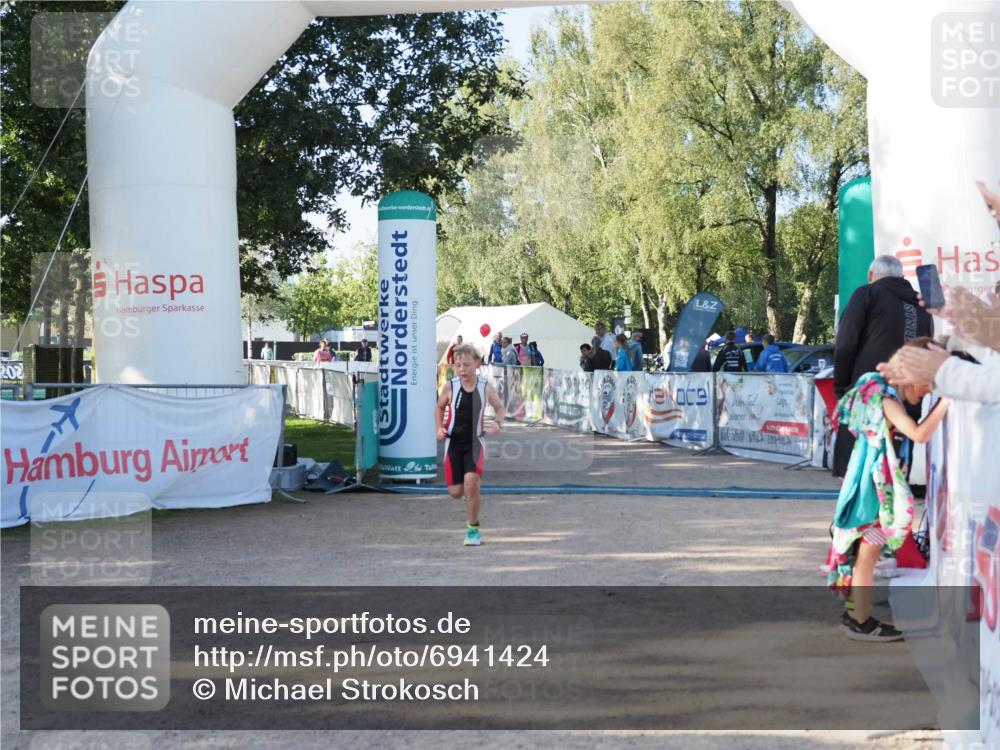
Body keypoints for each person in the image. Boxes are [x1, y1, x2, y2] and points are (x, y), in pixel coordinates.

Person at [825, 338, 951, 641]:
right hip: (872, 489)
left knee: (863, 550)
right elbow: (918, 433)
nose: (926, 392)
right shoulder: (886, 398)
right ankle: (861, 621)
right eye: (928, 384)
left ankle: (857, 612)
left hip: (861, 479)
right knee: (868, 550)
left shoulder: (872, 385)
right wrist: (948, 401)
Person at [832, 255, 933, 477]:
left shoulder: (867, 294)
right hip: (907, 400)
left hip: (868, 397)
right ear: (902, 276)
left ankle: (865, 511)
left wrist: (841, 389)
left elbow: (846, 344)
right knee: (894, 474)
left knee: (856, 474)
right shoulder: (923, 304)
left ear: (871, 276)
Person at [435, 344, 506, 546]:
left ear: (477, 363)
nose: (462, 369)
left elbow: (500, 408)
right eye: (458, 365)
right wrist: (439, 427)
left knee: (472, 483)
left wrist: (497, 422)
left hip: (475, 443)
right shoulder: (450, 386)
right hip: (453, 444)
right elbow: (439, 407)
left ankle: (473, 529)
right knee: (456, 493)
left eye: (466, 364)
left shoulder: (485, 387)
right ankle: (469, 494)